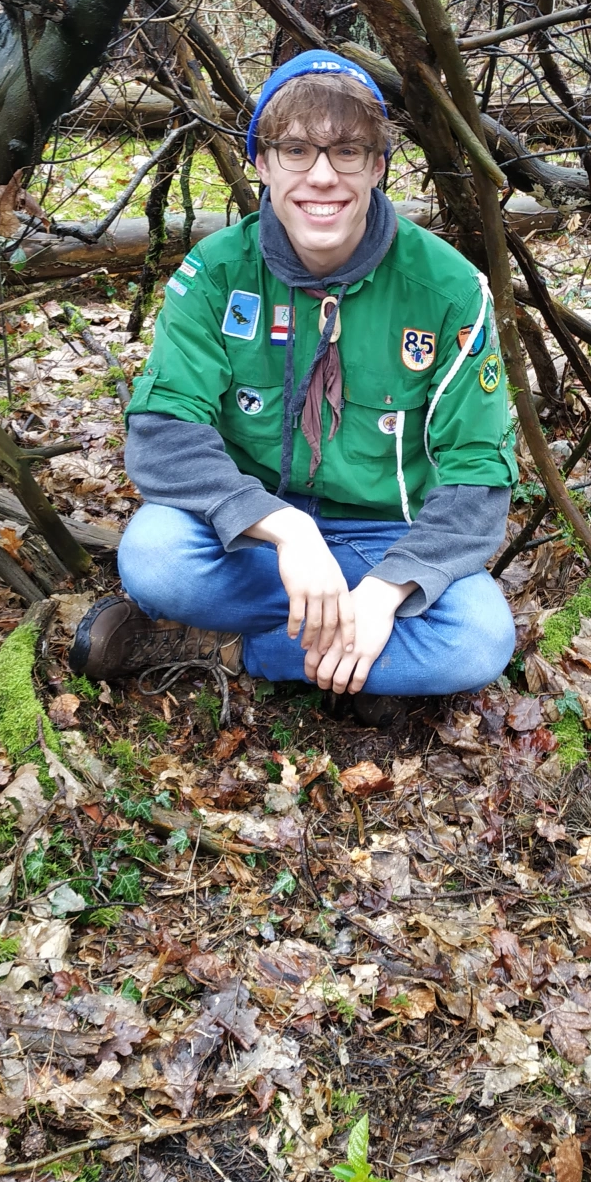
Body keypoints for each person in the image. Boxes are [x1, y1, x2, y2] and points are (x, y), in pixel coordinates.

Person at [70, 50, 518, 726]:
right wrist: (287, 532)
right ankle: (360, 665)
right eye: (296, 150)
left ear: (378, 165)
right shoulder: (219, 273)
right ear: (262, 163)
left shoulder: (449, 292)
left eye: (347, 151)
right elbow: (164, 431)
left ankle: (228, 648)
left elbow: (478, 477)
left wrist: (385, 591)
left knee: (479, 641)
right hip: (256, 537)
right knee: (156, 558)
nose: (321, 176)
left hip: (385, 538)